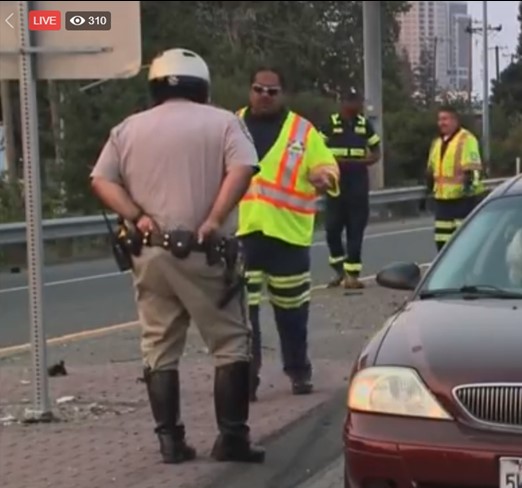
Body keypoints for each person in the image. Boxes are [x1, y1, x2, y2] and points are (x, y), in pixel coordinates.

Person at [89, 48, 264, 465]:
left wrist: (137, 216)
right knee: (230, 343)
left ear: (156, 86)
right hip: (206, 253)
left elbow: (100, 180)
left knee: (159, 344)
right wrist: (214, 218)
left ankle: (170, 442)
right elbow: (243, 168)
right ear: (201, 85)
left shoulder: (127, 129)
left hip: (151, 254)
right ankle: (232, 438)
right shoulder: (224, 122)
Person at [236, 66, 339, 399]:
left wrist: (325, 177)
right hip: (242, 234)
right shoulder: (231, 125)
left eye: (272, 91)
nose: (265, 96)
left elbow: (326, 164)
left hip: (289, 237)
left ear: (282, 94)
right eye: (259, 89)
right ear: (250, 91)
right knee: (242, 317)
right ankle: (245, 379)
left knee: (292, 314)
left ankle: (298, 372)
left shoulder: (302, 131)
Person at [320, 87, 381, 289]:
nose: (356, 105)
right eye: (352, 101)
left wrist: (365, 161)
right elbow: (316, 149)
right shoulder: (331, 124)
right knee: (332, 229)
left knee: (356, 229)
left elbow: (376, 151)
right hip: (336, 182)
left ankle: (352, 275)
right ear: (343, 103)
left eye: (358, 101)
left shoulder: (364, 125)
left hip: (357, 181)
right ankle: (339, 269)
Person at [425, 106, 486, 251]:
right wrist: (428, 187)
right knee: (442, 242)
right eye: (439, 119)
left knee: (463, 243)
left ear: (455, 121)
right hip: (442, 200)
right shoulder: (437, 142)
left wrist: (469, 186)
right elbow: (431, 169)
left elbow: (473, 168)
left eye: (445, 119)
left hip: (462, 200)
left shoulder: (466, 139)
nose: (441, 123)